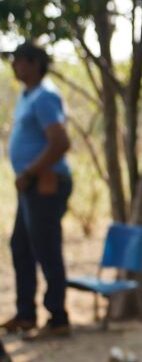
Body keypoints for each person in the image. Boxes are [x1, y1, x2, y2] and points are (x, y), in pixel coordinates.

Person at [2, 42, 73, 340]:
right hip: (30, 185)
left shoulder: (45, 96)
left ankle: (57, 317)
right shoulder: (26, 95)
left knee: (46, 249)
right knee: (21, 246)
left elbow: (60, 142)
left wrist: (30, 171)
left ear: (33, 63)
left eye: (18, 61)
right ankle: (26, 313)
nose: (14, 66)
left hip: (44, 183)